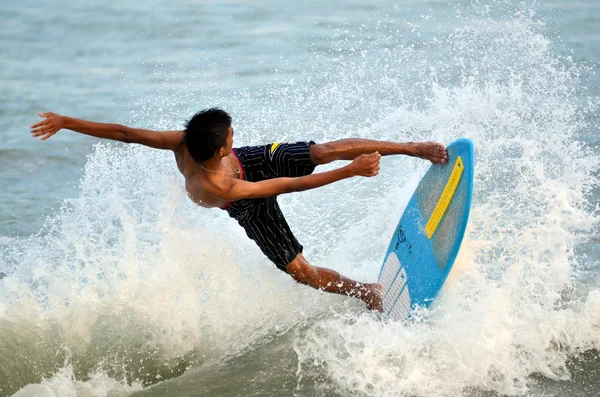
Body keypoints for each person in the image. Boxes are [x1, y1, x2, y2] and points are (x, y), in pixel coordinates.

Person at [30, 108, 448, 312]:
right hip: (246, 203)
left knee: (323, 151)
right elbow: (291, 185)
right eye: (231, 134)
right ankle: (368, 294)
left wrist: (67, 121)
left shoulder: (185, 139)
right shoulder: (217, 183)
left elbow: (123, 132)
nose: (235, 132)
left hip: (250, 164)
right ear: (219, 148)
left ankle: (413, 148)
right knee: (301, 272)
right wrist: (352, 173)